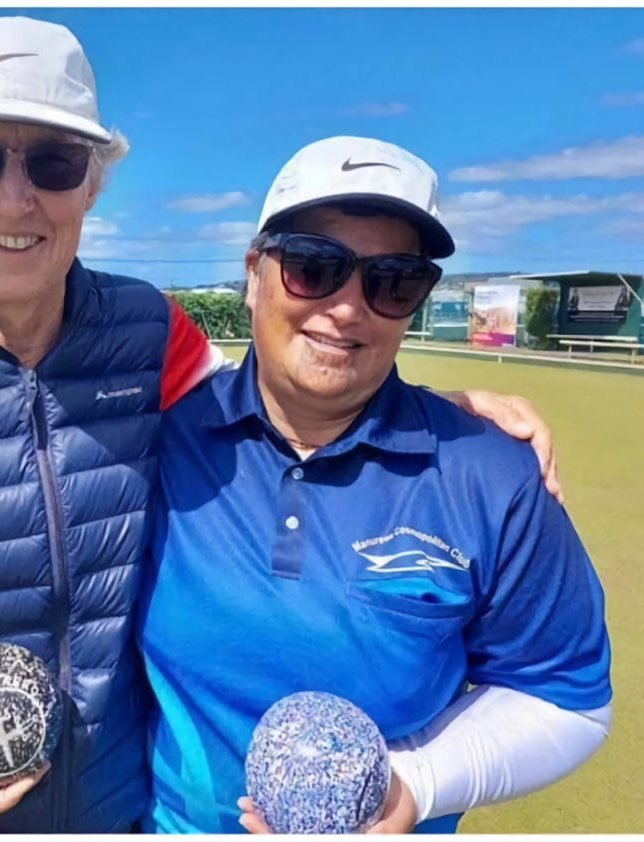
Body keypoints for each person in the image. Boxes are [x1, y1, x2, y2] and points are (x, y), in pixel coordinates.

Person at [0, 17, 562, 834]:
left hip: (108, 812)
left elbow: (287, 395)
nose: (15, 197)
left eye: (55, 163)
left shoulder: (151, 335)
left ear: (92, 183)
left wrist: (443, 416)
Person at [137, 136, 612, 835]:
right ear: (253, 272)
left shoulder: (495, 476)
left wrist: (414, 783)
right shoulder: (155, 441)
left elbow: (569, 698)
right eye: (312, 267)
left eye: (392, 280)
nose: (349, 307)